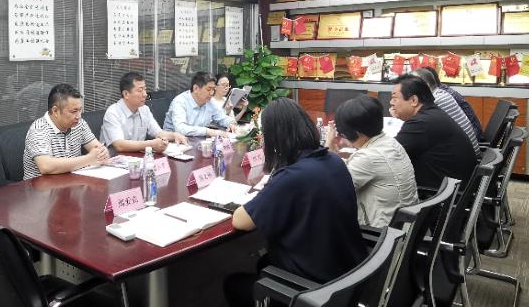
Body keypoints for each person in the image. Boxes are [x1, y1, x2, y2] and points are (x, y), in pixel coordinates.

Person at [225, 98, 366, 307]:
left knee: (233, 284)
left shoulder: (292, 177)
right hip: (348, 273)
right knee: (264, 263)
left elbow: (241, 221)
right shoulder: (334, 160)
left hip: (317, 290)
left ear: (274, 137)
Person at [326, 96, 418, 227]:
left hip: (380, 234)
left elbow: (329, 191)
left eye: (342, 134)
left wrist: (328, 150)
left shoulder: (367, 157)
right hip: (404, 227)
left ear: (357, 133)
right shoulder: (390, 142)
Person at [389, 75, 477, 189]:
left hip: (438, 194)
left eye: (395, 98)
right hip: (455, 188)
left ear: (414, 100)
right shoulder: (431, 114)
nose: (391, 102)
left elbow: (388, 155)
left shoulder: (421, 123)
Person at [22, 83, 109, 179]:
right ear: (55, 111)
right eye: (74, 111)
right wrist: (89, 159)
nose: (79, 116)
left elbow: (97, 149)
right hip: (41, 186)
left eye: (80, 110)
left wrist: (102, 152)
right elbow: (46, 166)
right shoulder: (39, 129)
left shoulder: (79, 123)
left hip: (71, 182)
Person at [100, 72, 187, 153]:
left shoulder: (144, 109)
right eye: (140, 90)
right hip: (115, 159)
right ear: (126, 94)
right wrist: (151, 144)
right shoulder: (113, 112)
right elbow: (119, 145)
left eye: (145, 89)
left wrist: (174, 135)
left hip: (137, 158)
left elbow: (158, 133)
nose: (145, 94)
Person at [412, 67, 480, 157]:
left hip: (465, 157)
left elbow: (415, 126)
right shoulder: (442, 93)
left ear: (426, 86)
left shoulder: (435, 100)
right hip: (468, 151)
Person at [162, 71, 238, 137]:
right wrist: (208, 132)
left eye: (213, 89)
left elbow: (222, 117)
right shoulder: (180, 101)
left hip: (197, 140)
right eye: (208, 89)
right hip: (173, 142)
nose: (212, 93)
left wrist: (230, 124)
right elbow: (181, 129)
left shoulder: (210, 101)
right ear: (196, 88)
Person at [420, 65, 484, 141]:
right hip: (471, 134)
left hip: (473, 136)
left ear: (428, 82)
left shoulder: (439, 96)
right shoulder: (443, 90)